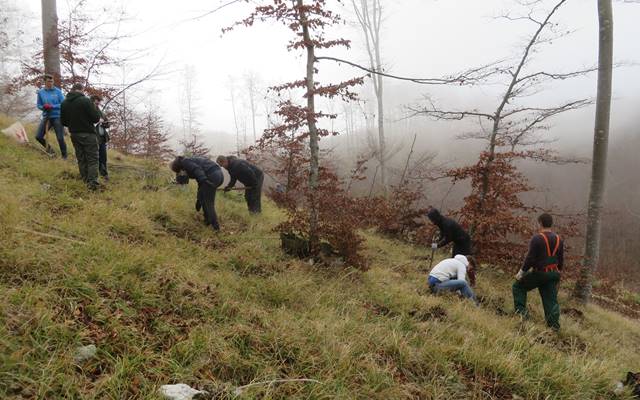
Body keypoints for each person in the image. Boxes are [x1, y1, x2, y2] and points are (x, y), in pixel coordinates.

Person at [513, 213, 564, 331]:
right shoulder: (559, 239)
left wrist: (521, 273)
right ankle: (554, 327)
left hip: (540, 273)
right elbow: (561, 259)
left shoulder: (537, 238)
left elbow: (530, 258)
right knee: (551, 300)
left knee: (518, 287)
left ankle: (522, 315)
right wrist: (559, 273)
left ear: (540, 223)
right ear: (551, 224)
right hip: (554, 274)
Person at [60, 83, 101, 190]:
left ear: (72, 90)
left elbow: (63, 122)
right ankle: (92, 184)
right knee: (92, 159)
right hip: (88, 134)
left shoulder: (64, 103)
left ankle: (84, 180)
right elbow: (96, 118)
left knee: (81, 158)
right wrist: (95, 108)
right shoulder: (86, 101)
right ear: (81, 90)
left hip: (74, 134)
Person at [170, 156, 224, 231]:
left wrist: (204, 180)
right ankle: (207, 221)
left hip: (212, 175)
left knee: (208, 203)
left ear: (179, 167)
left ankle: (216, 228)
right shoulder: (188, 161)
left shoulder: (185, 161)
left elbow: (197, 169)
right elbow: (200, 183)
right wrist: (199, 199)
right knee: (203, 198)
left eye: (179, 171)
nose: (181, 173)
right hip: (218, 175)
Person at [35, 74, 67, 159]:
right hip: (47, 116)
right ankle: (51, 152)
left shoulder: (57, 91)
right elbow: (38, 105)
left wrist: (52, 106)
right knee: (38, 136)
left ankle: (64, 156)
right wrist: (43, 107)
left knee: (60, 138)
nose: (51, 83)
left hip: (57, 116)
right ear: (45, 82)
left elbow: (63, 104)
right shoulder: (41, 92)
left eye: (52, 81)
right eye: (49, 81)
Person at [90, 95, 109, 181]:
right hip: (93, 138)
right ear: (92, 102)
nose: (97, 103)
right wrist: (97, 121)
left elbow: (107, 123)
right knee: (95, 157)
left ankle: (104, 174)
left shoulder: (101, 112)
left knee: (103, 157)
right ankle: (95, 175)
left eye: (98, 102)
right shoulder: (89, 111)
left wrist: (105, 124)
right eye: (95, 102)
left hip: (102, 138)